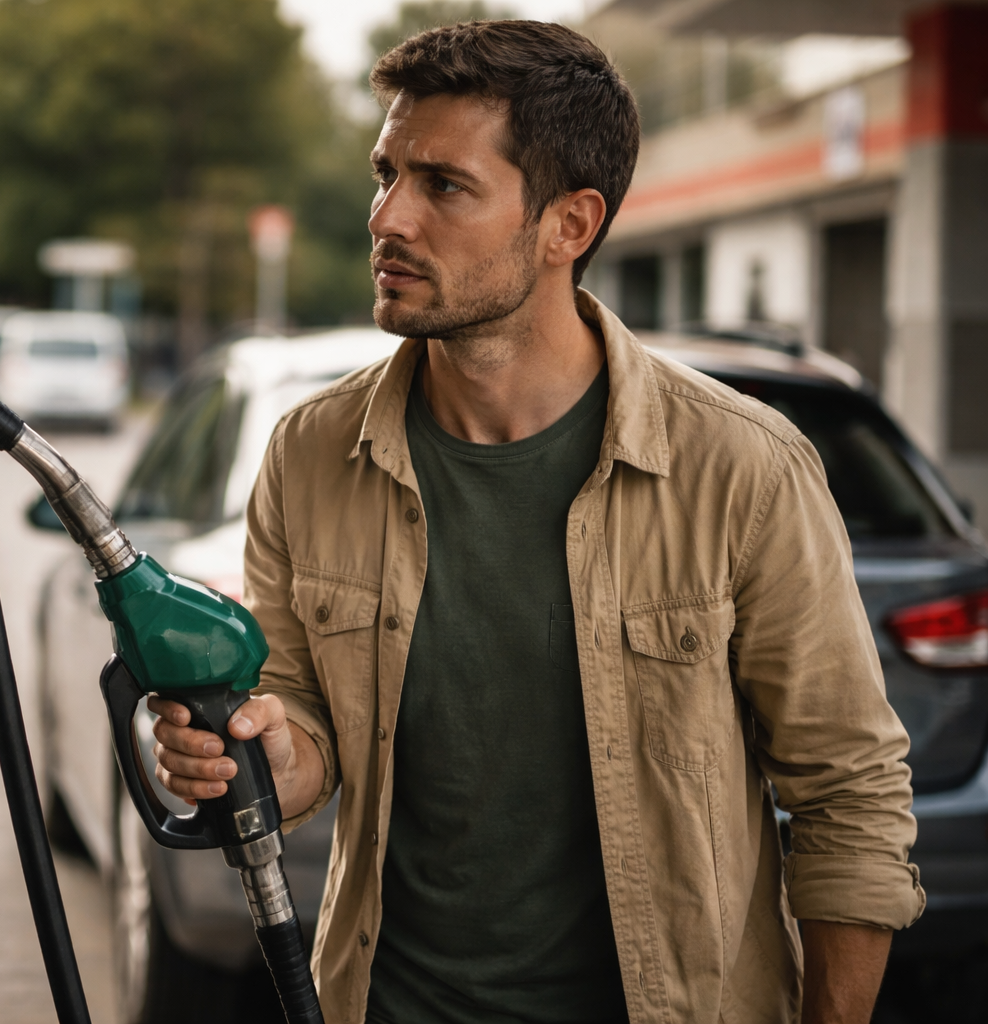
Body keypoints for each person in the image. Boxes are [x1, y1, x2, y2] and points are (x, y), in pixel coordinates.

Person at [148, 19, 924, 1024]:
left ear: (569, 225)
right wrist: (257, 752)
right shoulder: (311, 452)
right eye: (387, 173)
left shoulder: (742, 467)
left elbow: (848, 795)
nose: (388, 217)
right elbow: (302, 728)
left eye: (444, 185)